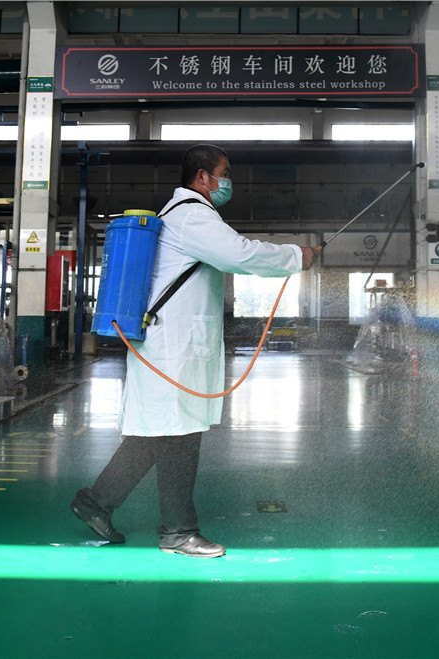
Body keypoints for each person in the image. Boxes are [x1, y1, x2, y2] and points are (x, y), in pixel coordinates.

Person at [72, 144, 317, 558]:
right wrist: (298, 255)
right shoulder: (191, 216)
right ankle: (178, 532)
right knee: (179, 437)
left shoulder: (177, 216)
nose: (227, 182)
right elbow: (240, 254)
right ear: (203, 177)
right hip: (175, 350)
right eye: (224, 172)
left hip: (170, 346)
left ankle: (96, 502)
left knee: (158, 434)